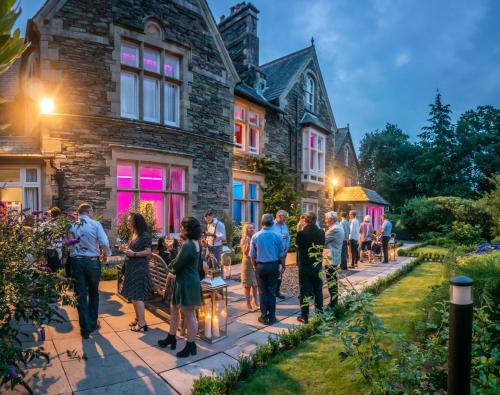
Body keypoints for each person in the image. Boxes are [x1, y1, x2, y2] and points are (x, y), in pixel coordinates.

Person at [158, 217, 203, 358]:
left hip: (186, 282)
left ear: (188, 229)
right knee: (174, 308)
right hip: (189, 280)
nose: (180, 228)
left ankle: (191, 345)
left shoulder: (188, 245)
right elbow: (185, 261)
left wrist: (171, 255)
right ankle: (171, 337)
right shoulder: (196, 243)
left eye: (183, 226)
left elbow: (176, 266)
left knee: (189, 314)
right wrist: (173, 251)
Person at [69, 203, 111, 339]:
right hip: (92, 262)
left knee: (80, 295)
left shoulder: (71, 225)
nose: (92, 213)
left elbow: (66, 242)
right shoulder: (95, 224)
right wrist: (106, 255)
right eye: (92, 211)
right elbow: (104, 242)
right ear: (88, 211)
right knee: (93, 293)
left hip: (77, 262)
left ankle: (85, 329)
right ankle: (92, 323)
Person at [250, 213, 286, 325]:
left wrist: (255, 266)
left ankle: (264, 317)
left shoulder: (256, 236)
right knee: (272, 291)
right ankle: (273, 316)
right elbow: (281, 254)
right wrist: (283, 265)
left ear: (262, 223)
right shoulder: (278, 236)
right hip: (273, 265)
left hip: (260, 265)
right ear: (272, 223)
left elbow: (252, 255)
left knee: (262, 292)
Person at [120, 213, 153, 332]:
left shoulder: (144, 235)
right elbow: (132, 249)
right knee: (133, 295)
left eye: (130, 221)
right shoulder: (133, 234)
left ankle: (143, 323)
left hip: (139, 268)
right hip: (131, 267)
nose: (128, 223)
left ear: (136, 222)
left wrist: (133, 254)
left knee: (137, 295)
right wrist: (125, 249)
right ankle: (138, 318)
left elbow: (148, 252)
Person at [296, 211, 325, 323]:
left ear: (305, 221)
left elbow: (297, 245)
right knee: (318, 290)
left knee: (304, 290)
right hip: (316, 265)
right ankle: (319, 313)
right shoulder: (321, 232)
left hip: (304, 266)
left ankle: (304, 315)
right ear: (315, 220)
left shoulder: (301, 233)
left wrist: (300, 228)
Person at [324, 211, 344, 307]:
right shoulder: (337, 227)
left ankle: (333, 302)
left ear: (331, 220)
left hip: (331, 258)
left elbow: (323, 240)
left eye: (326, 219)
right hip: (334, 256)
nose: (325, 221)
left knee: (331, 280)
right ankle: (334, 301)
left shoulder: (334, 229)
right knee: (333, 279)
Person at [240, 223, 259, 311]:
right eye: (249, 228)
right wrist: (249, 243)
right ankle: (247, 303)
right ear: (246, 230)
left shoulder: (255, 238)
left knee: (255, 284)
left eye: (252, 228)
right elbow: (245, 252)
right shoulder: (244, 239)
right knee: (247, 285)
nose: (252, 229)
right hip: (247, 263)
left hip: (254, 263)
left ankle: (255, 301)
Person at [272, 210, 290, 299]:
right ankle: (272, 290)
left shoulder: (284, 225)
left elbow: (288, 237)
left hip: (283, 253)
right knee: (273, 271)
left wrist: (287, 248)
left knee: (281, 271)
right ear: (279, 216)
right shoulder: (271, 225)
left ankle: (277, 291)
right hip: (274, 253)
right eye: (285, 217)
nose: (286, 219)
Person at [45, 207, 63, 273]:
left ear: (50, 215)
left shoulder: (43, 225)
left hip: (45, 251)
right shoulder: (61, 226)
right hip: (55, 252)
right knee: (54, 273)